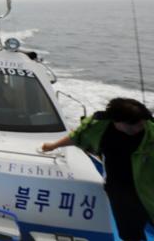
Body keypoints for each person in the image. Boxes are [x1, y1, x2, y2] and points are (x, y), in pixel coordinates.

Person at [42, 98, 154, 241]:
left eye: (141, 124)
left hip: (149, 186)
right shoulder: (97, 127)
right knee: (129, 230)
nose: (139, 128)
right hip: (118, 189)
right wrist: (53, 146)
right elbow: (77, 137)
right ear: (117, 121)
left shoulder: (150, 132)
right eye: (134, 125)